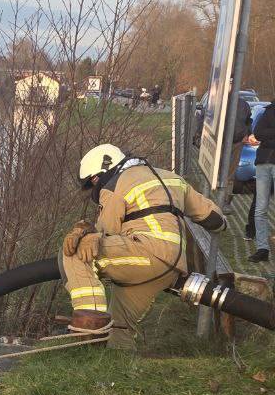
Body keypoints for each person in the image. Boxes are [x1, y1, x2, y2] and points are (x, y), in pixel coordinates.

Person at [61, 143, 227, 349]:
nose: (94, 186)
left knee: (78, 252)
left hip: (145, 255)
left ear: (102, 172)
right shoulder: (173, 178)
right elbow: (214, 218)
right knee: (117, 328)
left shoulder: (115, 185)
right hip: (173, 266)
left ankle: (88, 329)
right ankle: (118, 372)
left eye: (93, 181)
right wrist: (221, 225)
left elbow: (105, 233)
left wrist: (86, 232)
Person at [245, 101, 275, 263]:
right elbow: (258, 132)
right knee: (260, 209)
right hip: (263, 163)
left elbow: (264, 135)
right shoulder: (269, 110)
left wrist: (268, 136)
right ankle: (262, 248)